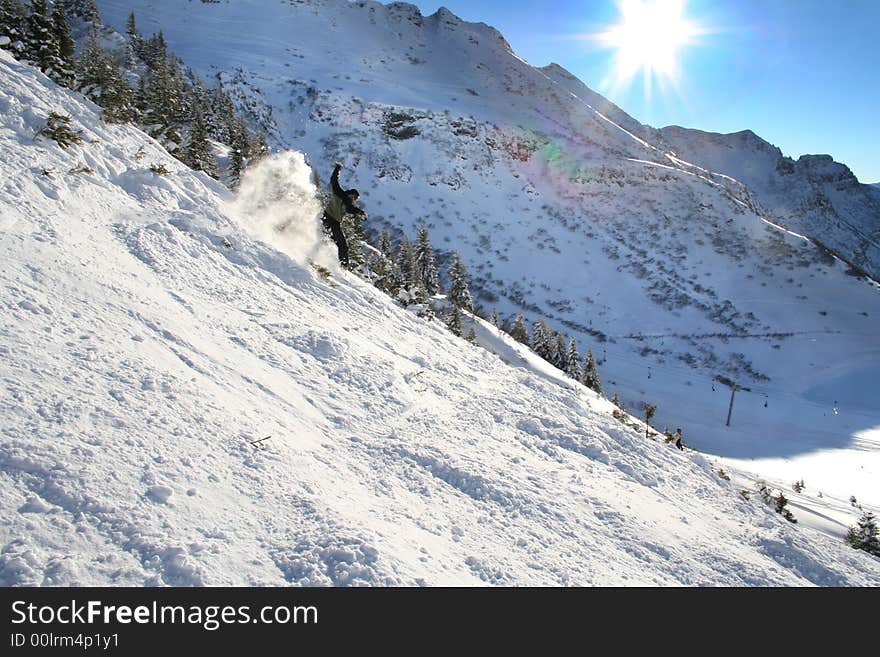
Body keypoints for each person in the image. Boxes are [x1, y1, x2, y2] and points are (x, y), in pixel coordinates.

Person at [322, 162, 365, 268]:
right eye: (356, 199)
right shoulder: (347, 200)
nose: (355, 201)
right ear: (353, 196)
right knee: (343, 245)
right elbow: (350, 208)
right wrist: (360, 212)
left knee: (328, 240)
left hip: (325, 218)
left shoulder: (338, 192)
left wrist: (337, 169)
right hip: (333, 222)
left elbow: (334, 181)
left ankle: (325, 259)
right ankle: (344, 266)